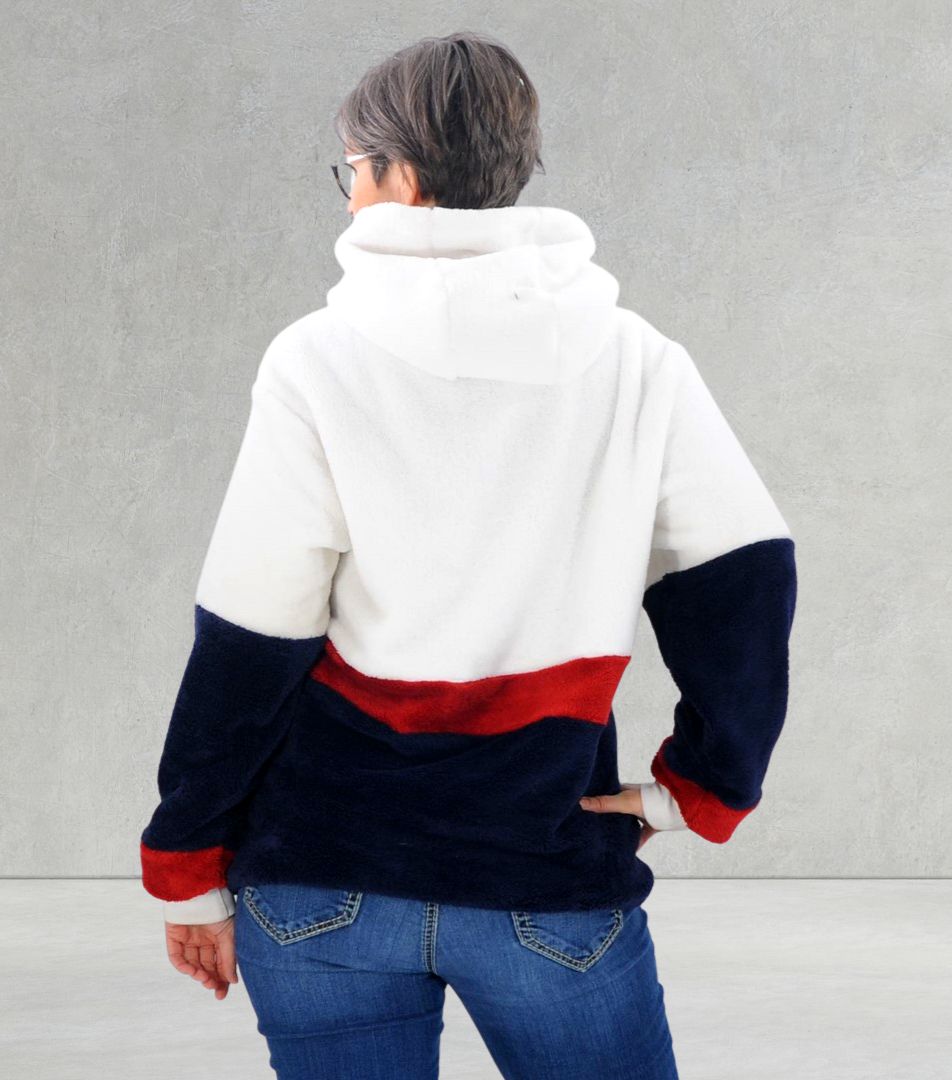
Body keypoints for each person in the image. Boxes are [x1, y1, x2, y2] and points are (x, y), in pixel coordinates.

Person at [138, 29, 797, 1080]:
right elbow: (744, 582)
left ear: (401, 176)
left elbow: (251, 636)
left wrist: (188, 863)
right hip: (540, 868)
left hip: (322, 880)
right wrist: (700, 787)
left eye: (352, 172)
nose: (348, 199)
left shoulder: (316, 360)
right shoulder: (636, 361)